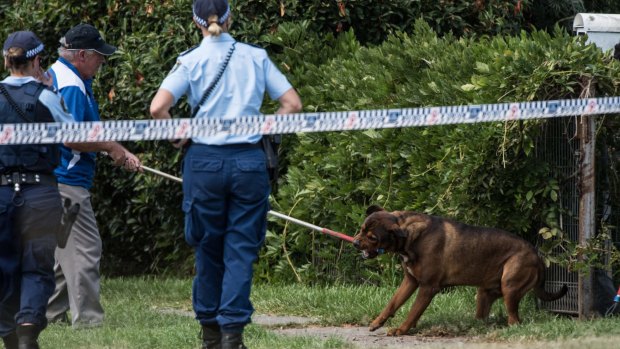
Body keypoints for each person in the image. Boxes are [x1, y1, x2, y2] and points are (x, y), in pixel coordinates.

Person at [150, 1, 302, 348]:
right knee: (241, 250)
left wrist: (178, 134)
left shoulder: (189, 60)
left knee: (207, 247)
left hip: (203, 163)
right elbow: (292, 104)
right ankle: (233, 335)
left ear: (196, 22)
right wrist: (265, 126)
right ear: (230, 18)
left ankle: (210, 334)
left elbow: (158, 107)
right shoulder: (255, 56)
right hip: (248, 162)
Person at [45, 23, 142, 329]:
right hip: (67, 180)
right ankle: (88, 322)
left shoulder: (59, 75)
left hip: (56, 178)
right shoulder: (71, 84)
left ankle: (46, 316)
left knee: (64, 254)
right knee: (86, 248)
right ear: (82, 55)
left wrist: (118, 150)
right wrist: (111, 146)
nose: (103, 61)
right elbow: (71, 137)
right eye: (100, 56)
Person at [0, 30, 74, 349]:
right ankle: (28, 329)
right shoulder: (47, 96)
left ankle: (9, 335)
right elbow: (72, 135)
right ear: (37, 61)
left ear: (6, 60)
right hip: (40, 194)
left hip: (1, 194)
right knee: (37, 265)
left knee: (4, 266)